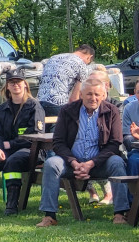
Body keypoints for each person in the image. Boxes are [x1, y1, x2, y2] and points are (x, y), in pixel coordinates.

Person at [37, 78, 127, 227]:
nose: (93, 98)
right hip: (71, 163)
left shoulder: (112, 111)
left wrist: (91, 164)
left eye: (97, 94)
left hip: (99, 163)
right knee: (51, 163)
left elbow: (114, 143)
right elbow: (58, 142)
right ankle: (49, 216)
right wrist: (74, 162)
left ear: (104, 95)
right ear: (81, 95)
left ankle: (120, 213)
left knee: (117, 162)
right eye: (89, 94)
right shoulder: (67, 110)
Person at [0, 69, 44, 216]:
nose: (15, 84)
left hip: (32, 150)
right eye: (12, 82)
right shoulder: (2, 109)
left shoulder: (34, 106)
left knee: (13, 161)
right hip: (5, 150)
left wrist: (10, 144)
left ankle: (11, 206)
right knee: (9, 158)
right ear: (7, 86)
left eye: (18, 81)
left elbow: (36, 135)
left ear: (25, 84)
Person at [36, 44, 95, 117]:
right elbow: (74, 99)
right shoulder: (81, 64)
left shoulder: (53, 57)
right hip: (57, 103)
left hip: (39, 102)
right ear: (89, 57)